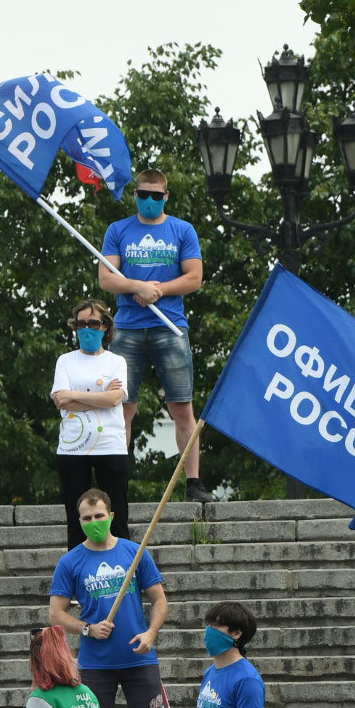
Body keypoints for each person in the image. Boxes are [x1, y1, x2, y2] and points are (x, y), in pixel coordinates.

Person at [48, 486, 183, 708]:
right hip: (96, 664)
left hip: (139, 660)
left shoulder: (134, 553)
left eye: (99, 516)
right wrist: (87, 628)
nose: (93, 522)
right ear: (79, 521)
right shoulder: (71, 562)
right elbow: (56, 614)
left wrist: (151, 633)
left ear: (111, 516)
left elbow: (160, 600)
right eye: (86, 518)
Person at [97, 168, 207, 500]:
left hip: (170, 327)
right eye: (143, 195)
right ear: (135, 196)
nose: (149, 201)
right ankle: (116, 488)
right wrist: (137, 287)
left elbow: (194, 278)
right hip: (127, 328)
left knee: (182, 408)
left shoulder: (182, 230)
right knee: (121, 408)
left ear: (166, 196)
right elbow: (106, 277)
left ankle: (193, 484)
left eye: (156, 196)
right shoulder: (118, 230)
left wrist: (156, 291)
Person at [52, 300, 133, 547]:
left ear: (105, 327)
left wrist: (76, 396)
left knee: (117, 516)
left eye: (93, 323)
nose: (87, 328)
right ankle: (77, 576)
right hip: (72, 448)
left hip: (110, 445)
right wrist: (102, 398)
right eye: (81, 324)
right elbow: (61, 401)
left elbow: (115, 398)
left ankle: (124, 574)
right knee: (77, 519)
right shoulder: (65, 360)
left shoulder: (116, 361)